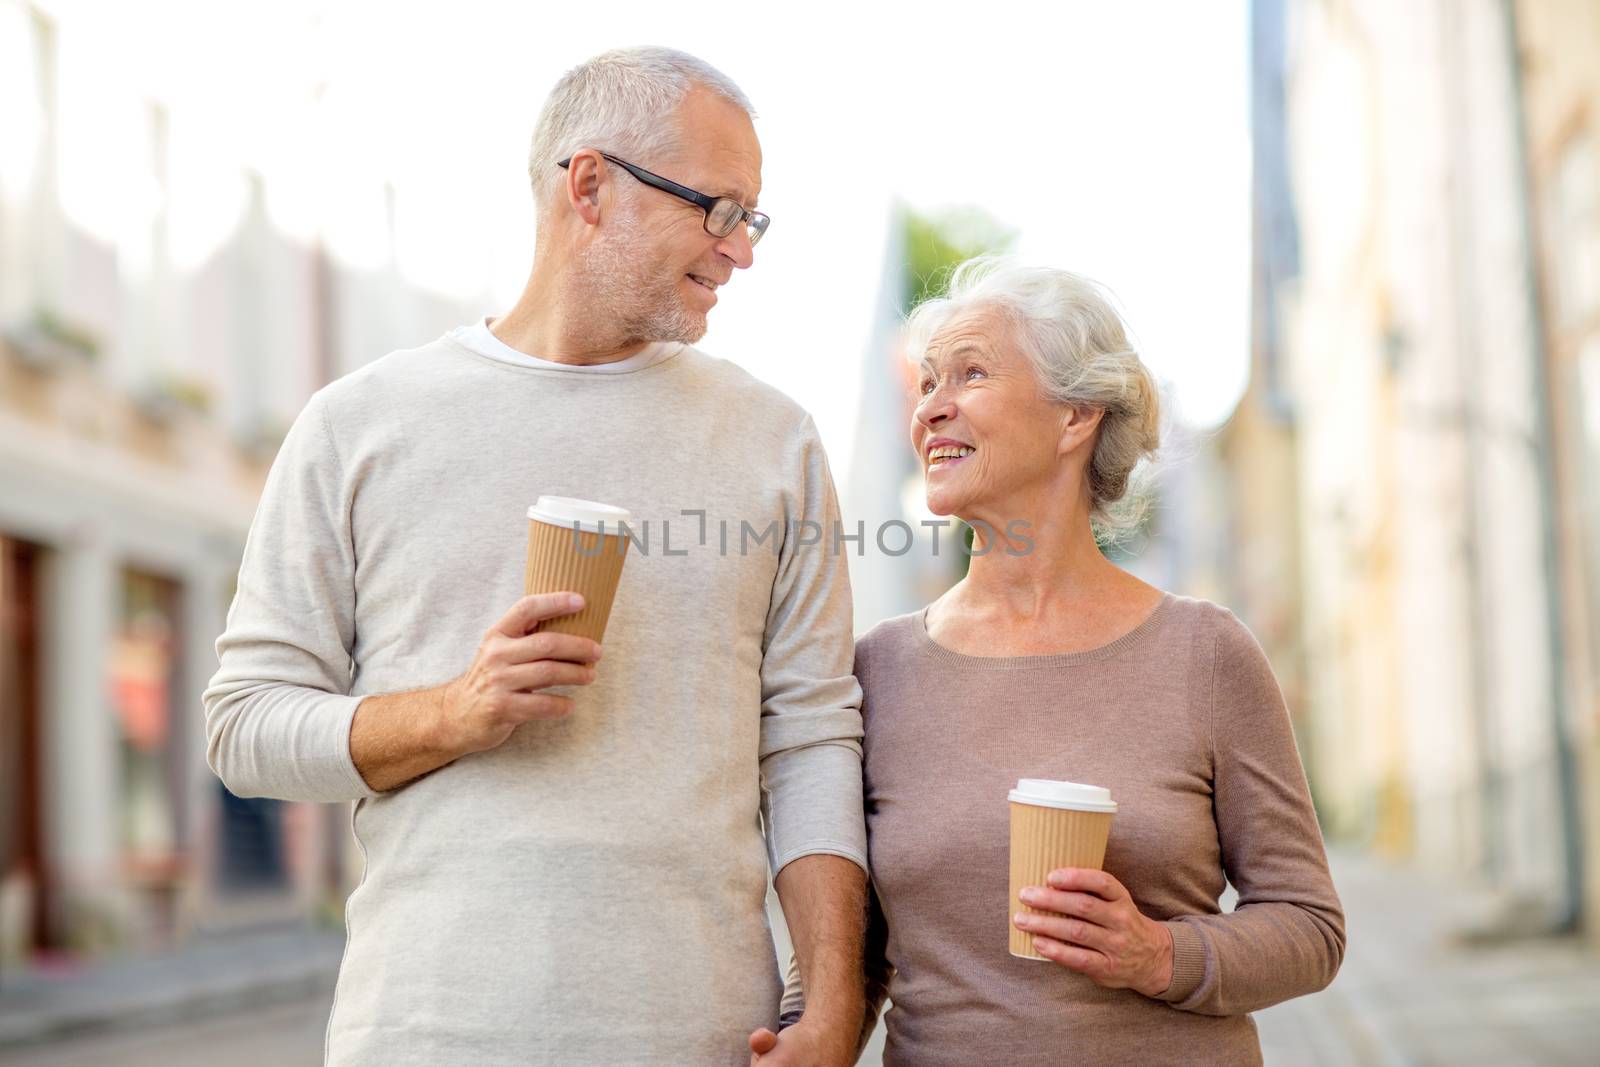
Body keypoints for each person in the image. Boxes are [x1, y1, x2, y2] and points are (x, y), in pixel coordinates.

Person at [204, 46, 868, 1067]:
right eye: (717, 209)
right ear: (590, 185)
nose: (740, 250)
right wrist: (452, 710)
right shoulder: (359, 424)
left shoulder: (772, 439)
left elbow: (812, 740)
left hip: (701, 1035)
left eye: (752, 217)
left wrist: (828, 1000)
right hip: (426, 1032)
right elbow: (246, 726)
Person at [775, 256, 1346, 1066]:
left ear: (1075, 417)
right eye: (928, 382)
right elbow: (850, 953)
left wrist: (1157, 954)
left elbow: (1310, 925)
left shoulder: (1205, 653)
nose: (931, 409)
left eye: (969, 374)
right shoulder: (877, 671)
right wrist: (802, 1033)